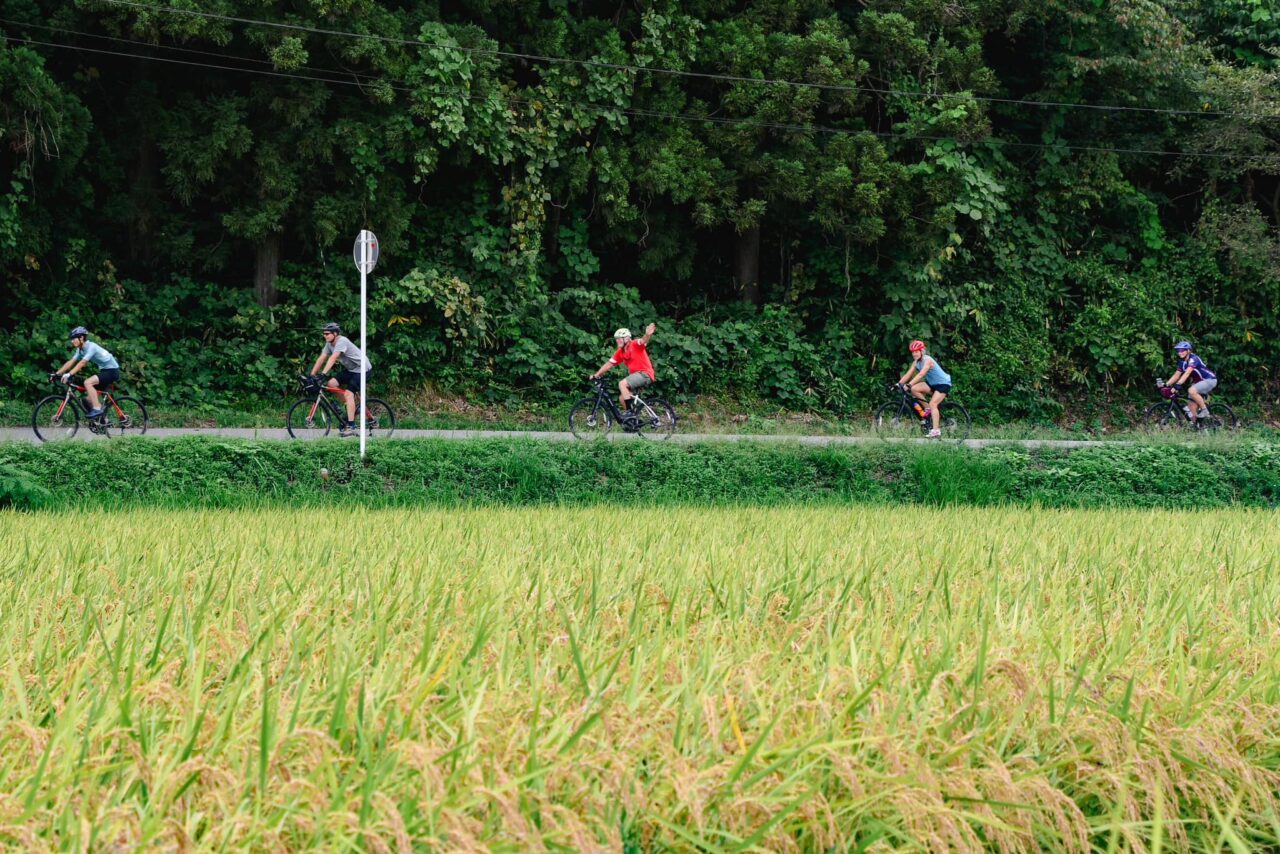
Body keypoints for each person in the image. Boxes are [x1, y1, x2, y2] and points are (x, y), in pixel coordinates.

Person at [309, 322, 371, 437]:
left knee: (348, 394)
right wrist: (312, 375)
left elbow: (333, 358)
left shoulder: (342, 341)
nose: (325, 336)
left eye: (327, 333)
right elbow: (321, 358)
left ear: (335, 333)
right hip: (352, 370)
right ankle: (350, 407)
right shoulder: (329, 344)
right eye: (324, 334)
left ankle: (351, 426)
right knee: (331, 383)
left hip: (363, 369)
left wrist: (323, 373)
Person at [590, 323, 657, 417]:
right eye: (616, 339)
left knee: (622, 384)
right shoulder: (620, 352)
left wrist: (648, 334)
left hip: (645, 374)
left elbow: (643, 341)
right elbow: (609, 364)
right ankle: (632, 420)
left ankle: (629, 411)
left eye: (619, 338)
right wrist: (596, 375)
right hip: (636, 376)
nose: (617, 341)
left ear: (626, 338)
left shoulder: (634, 344)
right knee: (622, 398)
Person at [52, 326, 119, 420]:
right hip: (104, 371)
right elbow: (71, 361)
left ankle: (97, 409)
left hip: (112, 371)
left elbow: (83, 362)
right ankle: (103, 420)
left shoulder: (91, 347)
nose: (72, 341)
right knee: (87, 400)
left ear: (81, 338)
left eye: (74, 339)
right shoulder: (80, 350)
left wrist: (70, 374)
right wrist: (57, 374)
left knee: (88, 382)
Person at [898, 339, 951, 438]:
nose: (914, 354)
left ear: (922, 351)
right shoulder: (916, 362)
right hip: (931, 384)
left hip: (943, 384)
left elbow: (921, 374)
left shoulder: (928, 360)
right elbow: (908, 374)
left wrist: (908, 384)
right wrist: (898, 384)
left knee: (933, 403)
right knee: (914, 389)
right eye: (913, 352)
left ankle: (936, 431)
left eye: (916, 351)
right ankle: (928, 409)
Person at [1163, 341, 1217, 423]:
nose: (1179, 352)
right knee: (1191, 407)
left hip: (1209, 380)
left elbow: (1187, 372)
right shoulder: (1182, 362)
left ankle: (1205, 411)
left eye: (1182, 350)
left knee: (1191, 390)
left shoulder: (1194, 359)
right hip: (1199, 382)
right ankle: (1198, 427)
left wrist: (1178, 385)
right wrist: (1166, 384)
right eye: (1178, 351)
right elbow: (1176, 375)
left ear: (1188, 350)